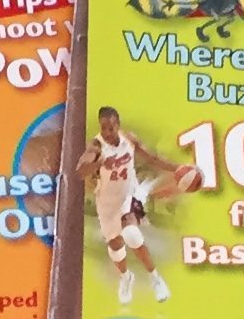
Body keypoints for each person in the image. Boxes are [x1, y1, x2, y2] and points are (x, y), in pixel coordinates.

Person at [80, 105, 194, 304]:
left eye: (111, 127)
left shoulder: (129, 140)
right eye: (103, 128)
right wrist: (95, 165)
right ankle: (126, 277)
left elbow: (152, 159)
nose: (107, 132)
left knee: (132, 234)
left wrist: (177, 168)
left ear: (118, 125)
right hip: (107, 201)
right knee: (116, 247)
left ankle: (156, 279)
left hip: (129, 195)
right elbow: (80, 172)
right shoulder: (95, 147)